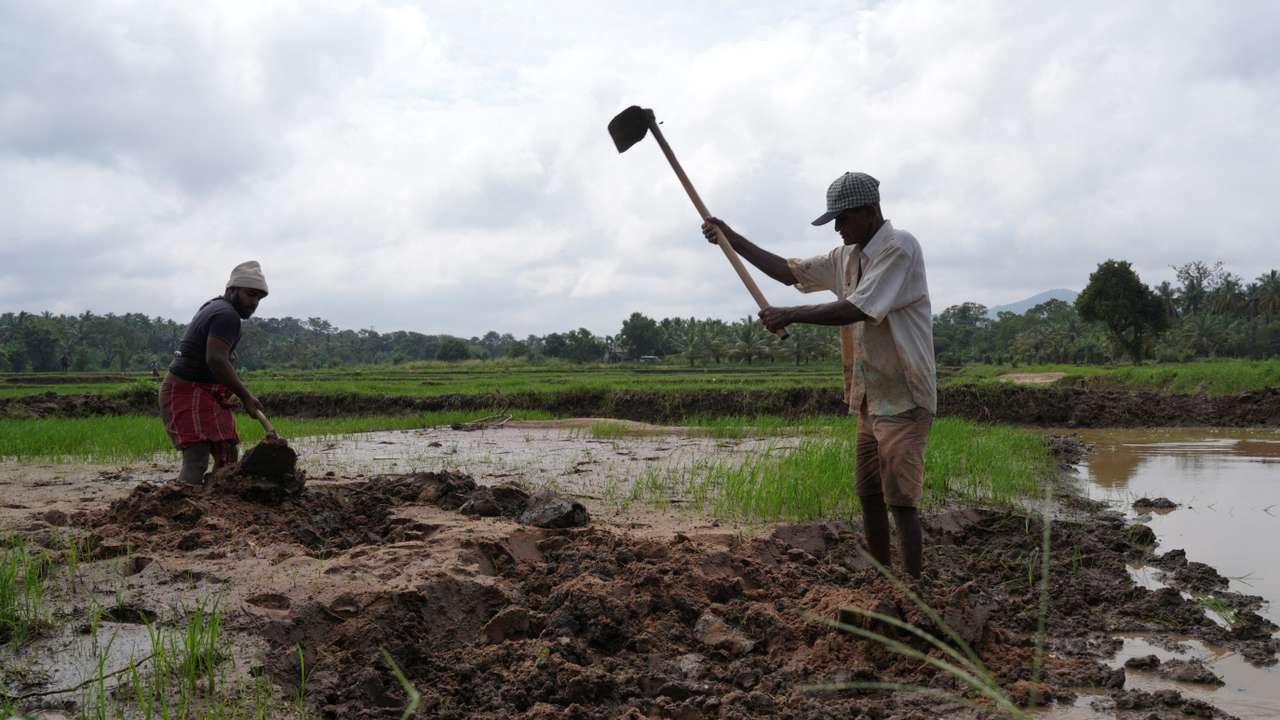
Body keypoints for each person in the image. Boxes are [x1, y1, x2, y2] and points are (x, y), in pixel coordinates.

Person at [702, 172, 936, 578]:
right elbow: (790, 272)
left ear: (869, 211)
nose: (838, 228)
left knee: (901, 499)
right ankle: (881, 579)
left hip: (905, 395)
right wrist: (730, 237)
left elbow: (859, 308)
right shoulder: (845, 257)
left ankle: (915, 591)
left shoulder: (899, 249)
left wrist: (790, 314)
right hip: (869, 396)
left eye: (842, 219)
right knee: (868, 493)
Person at [159, 261, 273, 485]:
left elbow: (216, 354)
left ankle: (220, 507)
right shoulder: (226, 315)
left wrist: (229, 358)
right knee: (197, 457)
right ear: (232, 290)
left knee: (227, 452)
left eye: (258, 298)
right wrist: (246, 396)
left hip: (207, 392)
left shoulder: (215, 307)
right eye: (250, 295)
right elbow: (215, 359)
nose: (254, 303)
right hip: (187, 390)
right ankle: (181, 510)